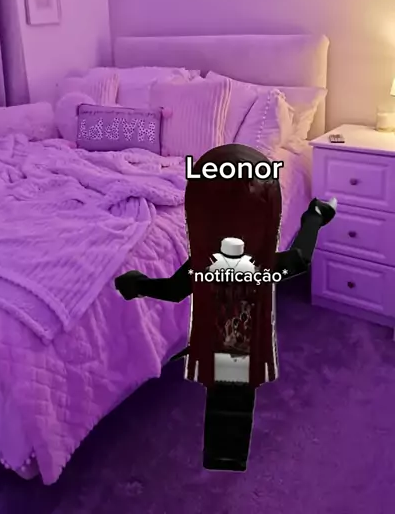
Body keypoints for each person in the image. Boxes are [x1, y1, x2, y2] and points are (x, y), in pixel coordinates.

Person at [114, 144, 337, 471]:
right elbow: (299, 259)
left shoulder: (208, 263)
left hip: (225, 340)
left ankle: (225, 455)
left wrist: (139, 285)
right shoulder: (253, 265)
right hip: (235, 340)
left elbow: (174, 290)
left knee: (229, 400)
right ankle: (225, 455)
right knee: (231, 400)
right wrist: (315, 217)